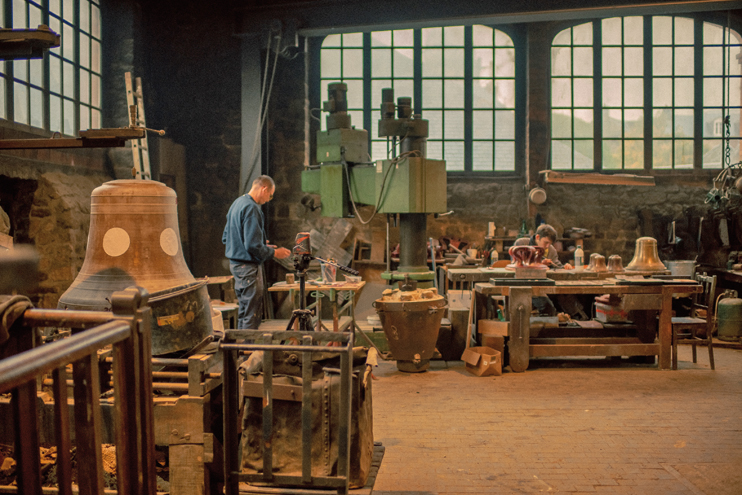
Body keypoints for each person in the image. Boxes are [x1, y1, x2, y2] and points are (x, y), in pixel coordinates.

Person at [222, 175, 291, 329]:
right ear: (264, 189)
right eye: (270, 195)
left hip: (237, 266)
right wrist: (275, 253)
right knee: (251, 315)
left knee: (245, 311)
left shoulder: (237, 203)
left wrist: (261, 244)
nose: (268, 199)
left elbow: (227, 237)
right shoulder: (251, 208)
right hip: (247, 268)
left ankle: (241, 350)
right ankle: (249, 351)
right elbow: (252, 246)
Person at [513, 223, 573, 316]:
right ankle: (545, 326)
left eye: (550, 243)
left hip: (545, 285)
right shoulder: (522, 244)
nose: (548, 246)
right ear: (537, 237)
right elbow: (517, 267)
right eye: (546, 242)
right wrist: (539, 264)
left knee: (568, 298)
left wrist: (564, 267)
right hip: (526, 285)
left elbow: (557, 265)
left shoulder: (551, 249)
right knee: (547, 307)